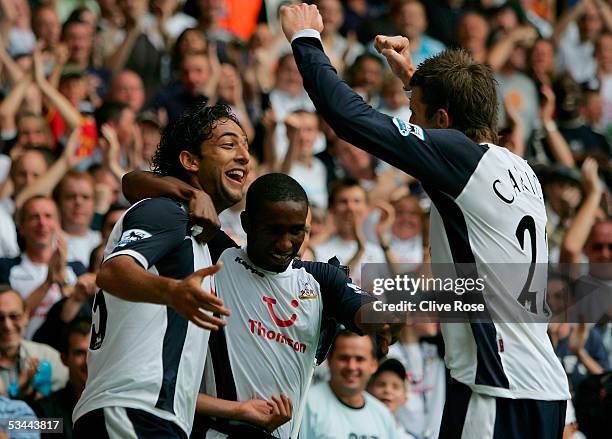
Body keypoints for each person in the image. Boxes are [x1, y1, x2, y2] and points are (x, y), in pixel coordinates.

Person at [280, 4, 570, 438]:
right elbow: (454, 121)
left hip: (495, 389)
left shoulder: (455, 157)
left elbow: (348, 117)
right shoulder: (519, 169)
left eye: (414, 112)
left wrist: (306, 40)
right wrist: (414, 79)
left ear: (443, 122)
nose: (410, 124)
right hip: (544, 387)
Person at [72, 103, 246, 438]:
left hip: (151, 415)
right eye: (228, 145)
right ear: (190, 161)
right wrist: (173, 291)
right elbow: (112, 272)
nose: (243, 156)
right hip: (134, 410)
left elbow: (132, 182)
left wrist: (241, 411)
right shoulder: (167, 212)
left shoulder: (200, 235)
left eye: (245, 147)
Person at [300, 331, 397, 439]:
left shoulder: (383, 415)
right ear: (329, 360)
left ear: (373, 365)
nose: (351, 366)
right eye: (344, 358)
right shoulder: (307, 405)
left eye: (359, 359)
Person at [31, 319, 91, 439]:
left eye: (93, 352)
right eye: (80, 353)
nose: (88, 360)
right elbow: (12, 426)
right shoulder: (47, 412)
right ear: (64, 359)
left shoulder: (119, 403)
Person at [367, 358, 419, 439]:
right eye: (381, 384)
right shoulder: (357, 430)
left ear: (404, 398)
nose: (388, 390)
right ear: (368, 390)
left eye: (395, 386)